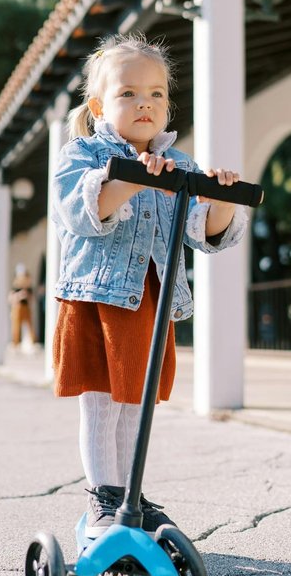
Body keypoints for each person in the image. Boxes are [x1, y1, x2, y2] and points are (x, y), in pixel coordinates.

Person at [52, 33, 248, 539]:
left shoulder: (179, 164)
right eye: (128, 93)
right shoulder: (83, 154)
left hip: (150, 304)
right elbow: (83, 211)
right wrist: (136, 178)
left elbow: (204, 233)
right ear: (98, 106)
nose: (145, 103)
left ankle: (128, 496)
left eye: (157, 93)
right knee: (101, 402)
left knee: (134, 405)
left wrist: (220, 199)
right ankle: (103, 498)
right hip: (98, 298)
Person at [9, 264, 37, 347]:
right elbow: (11, 298)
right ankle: (16, 342)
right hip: (17, 307)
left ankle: (32, 341)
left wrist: (27, 296)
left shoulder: (28, 288)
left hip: (26, 308)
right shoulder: (15, 287)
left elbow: (32, 298)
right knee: (16, 326)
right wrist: (19, 296)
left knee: (29, 325)